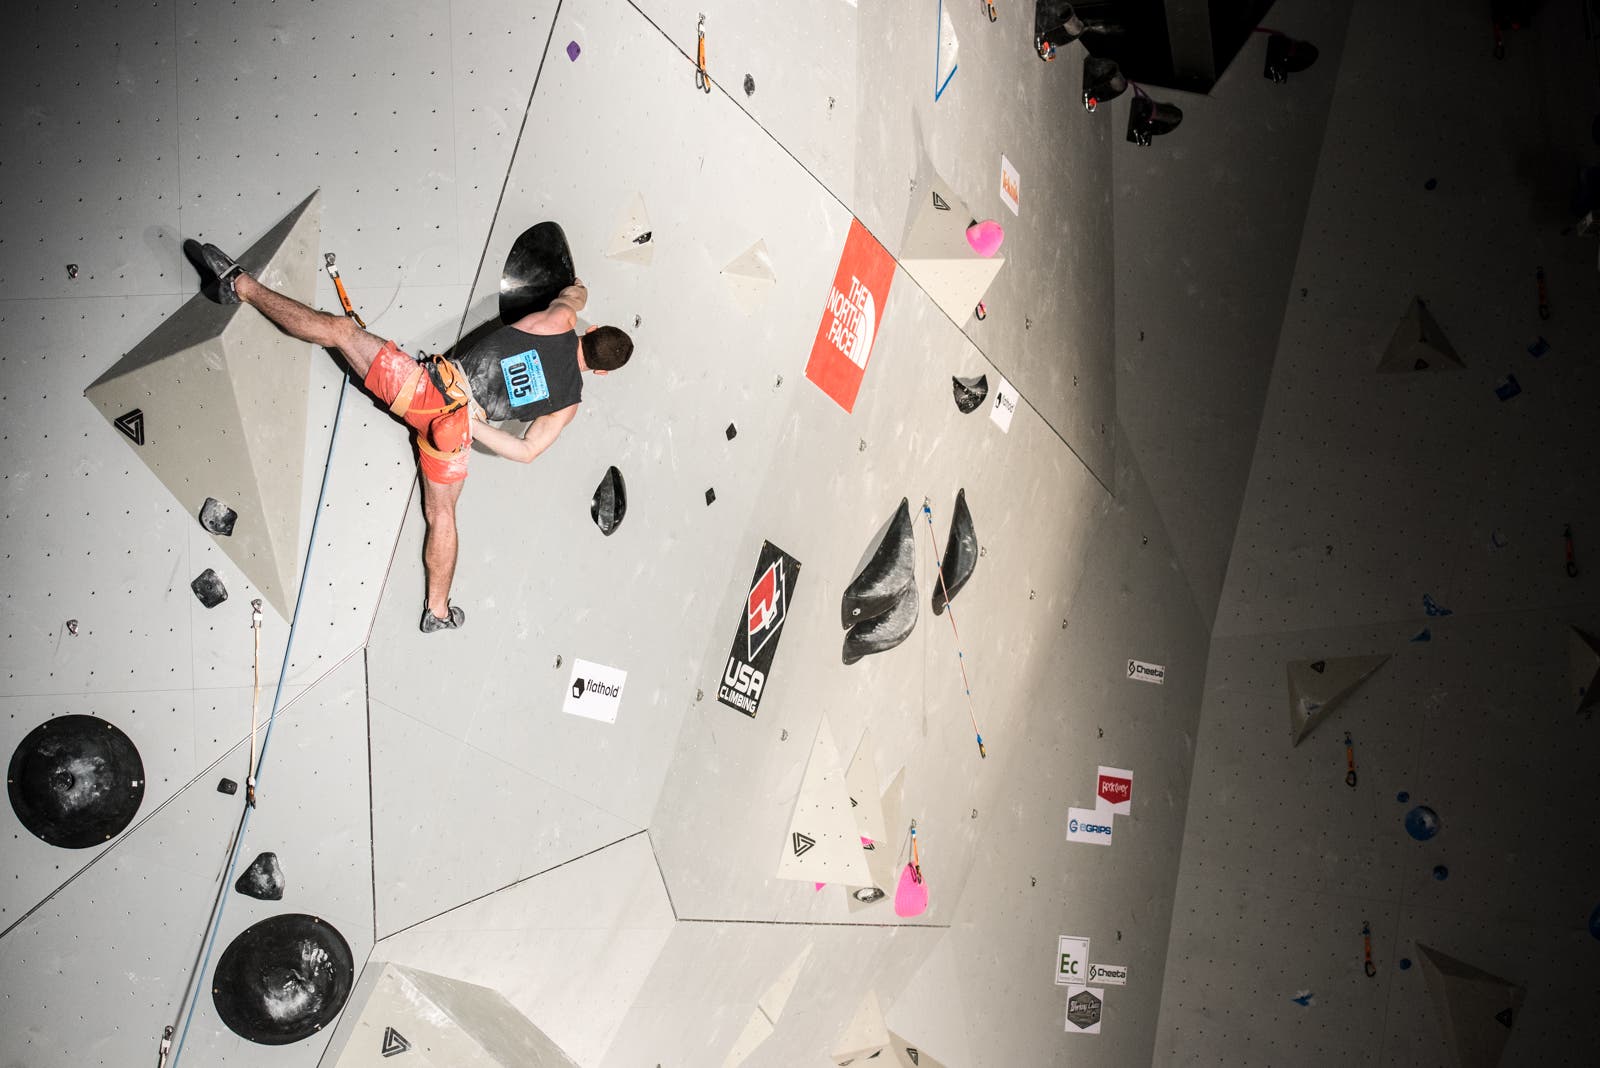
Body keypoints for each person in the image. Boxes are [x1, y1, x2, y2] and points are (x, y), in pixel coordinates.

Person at [195, 242, 633, 633]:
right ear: (599, 372)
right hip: (455, 437)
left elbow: (572, 296)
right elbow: (525, 451)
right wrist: (472, 425)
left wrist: (579, 288)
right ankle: (437, 610)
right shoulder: (569, 403)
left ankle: (242, 286)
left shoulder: (560, 321)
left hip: (426, 389)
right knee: (442, 514)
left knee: (341, 332)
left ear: (589, 332)